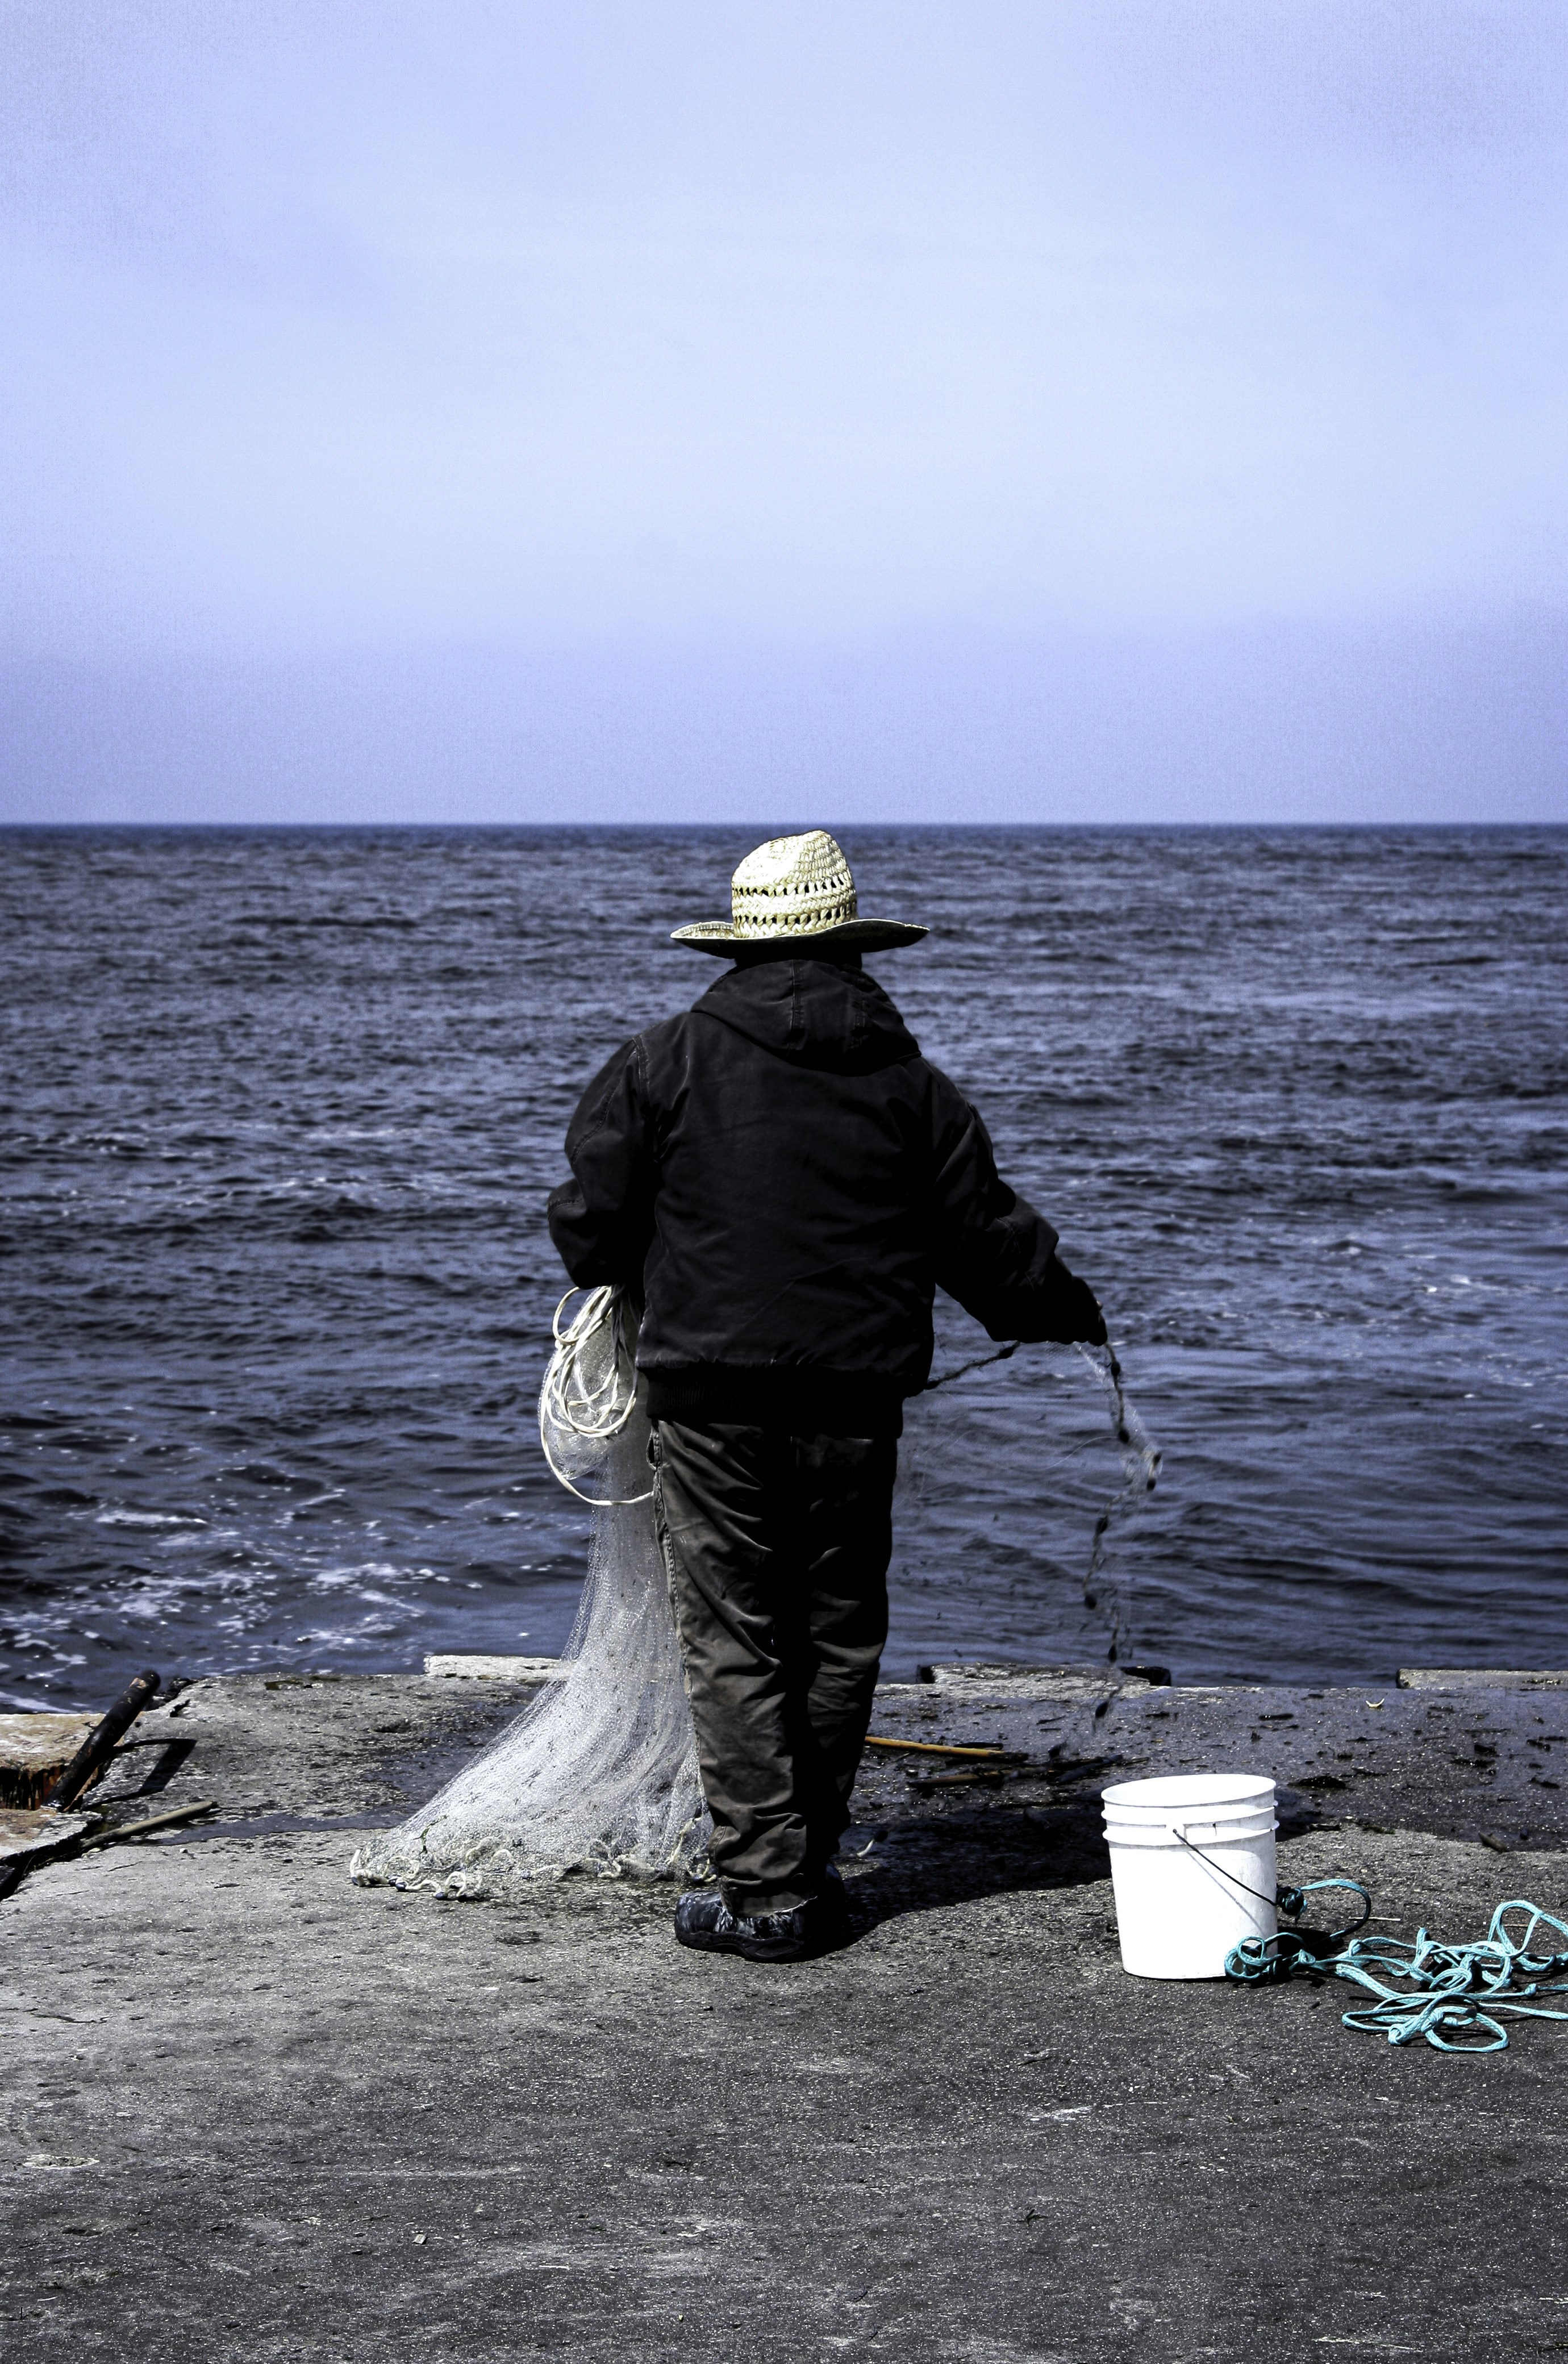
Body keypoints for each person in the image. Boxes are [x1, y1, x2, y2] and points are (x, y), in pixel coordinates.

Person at [546, 831, 1106, 1962]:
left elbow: (590, 1225)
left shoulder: (664, 1060)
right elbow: (987, 1238)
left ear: (742, 946)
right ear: (850, 943)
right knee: (838, 1635)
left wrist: (651, 1247)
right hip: (855, 1400)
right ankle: (805, 1861)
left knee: (735, 1637)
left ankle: (768, 1892)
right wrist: (1064, 1310)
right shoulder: (909, 1085)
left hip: (708, 1397)